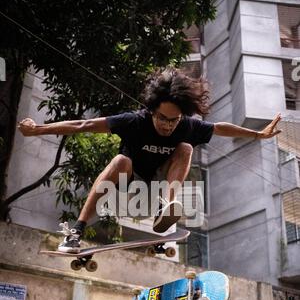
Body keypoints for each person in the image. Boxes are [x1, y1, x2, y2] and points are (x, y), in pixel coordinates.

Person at [18, 67, 282, 253]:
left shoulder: (186, 126)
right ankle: (77, 230)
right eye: (162, 118)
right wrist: (38, 129)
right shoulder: (134, 121)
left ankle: (165, 207)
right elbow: (83, 124)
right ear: (152, 111)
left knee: (186, 148)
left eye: (173, 120)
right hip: (126, 186)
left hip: (156, 189)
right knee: (121, 160)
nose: (167, 125)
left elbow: (220, 128)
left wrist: (257, 134)